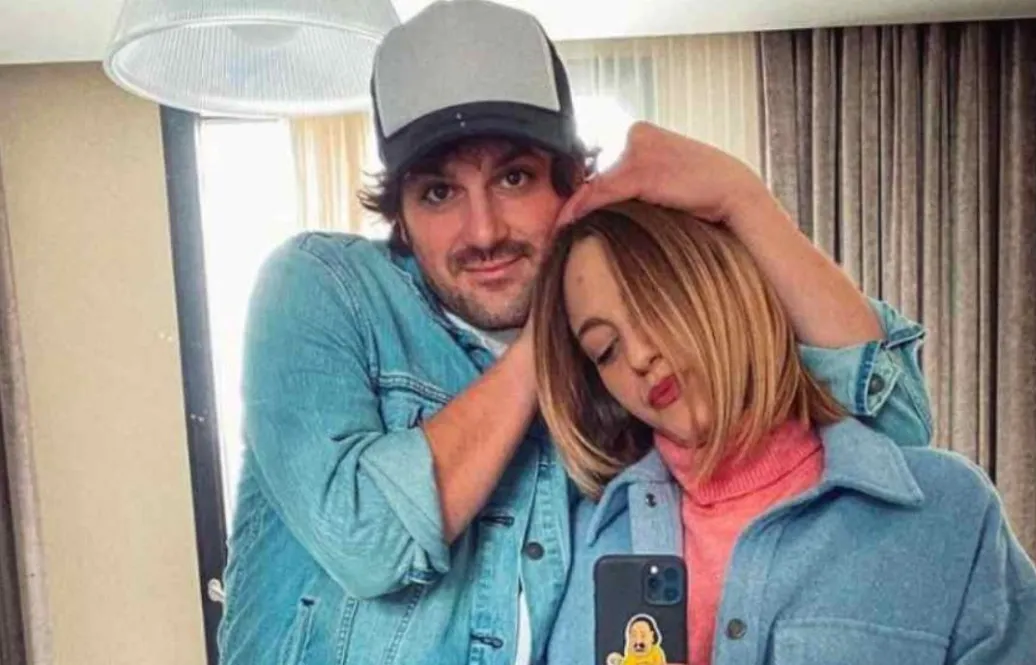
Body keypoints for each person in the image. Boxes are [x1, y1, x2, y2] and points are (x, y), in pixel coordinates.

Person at [216, 1, 934, 664]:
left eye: (514, 179)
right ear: (400, 216)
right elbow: (369, 538)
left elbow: (891, 427)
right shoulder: (322, 286)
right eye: (438, 192)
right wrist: (551, 335)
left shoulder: (629, 342)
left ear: (574, 182)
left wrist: (744, 199)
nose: (483, 231)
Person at [533, 201, 1036, 665]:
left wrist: (736, 195)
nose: (639, 357)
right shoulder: (585, 539)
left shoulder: (948, 512)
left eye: (653, 307)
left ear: (725, 283)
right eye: (605, 350)